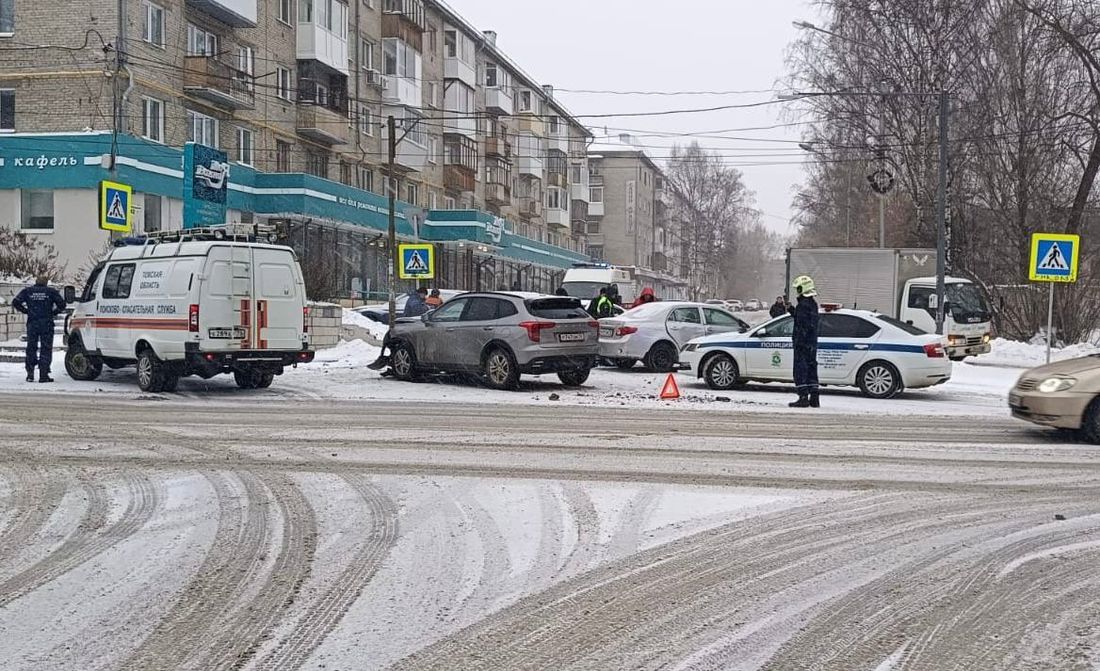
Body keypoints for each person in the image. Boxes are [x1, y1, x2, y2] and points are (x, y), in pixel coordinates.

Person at [12, 275, 66, 383]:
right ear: (46, 283)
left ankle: (30, 374)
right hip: (46, 323)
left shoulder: (28, 291)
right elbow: (62, 305)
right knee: (46, 348)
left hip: (32, 323)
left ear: (36, 282)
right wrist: (53, 313)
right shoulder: (51, 291)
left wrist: (26, 311)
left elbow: (15, 302)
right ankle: (43, 374)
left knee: (31, 347)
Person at [789, 275, 820, 408]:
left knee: (800, 369)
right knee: (812, 368)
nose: (797, 291)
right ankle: (814, 397)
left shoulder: (802, 305)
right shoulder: (813, 304)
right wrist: (791, 310)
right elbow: (807, 321)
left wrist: (799, 341)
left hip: (802, 343)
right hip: (812, 343)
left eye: (798, 288)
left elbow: (802, 324)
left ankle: (803, 397)